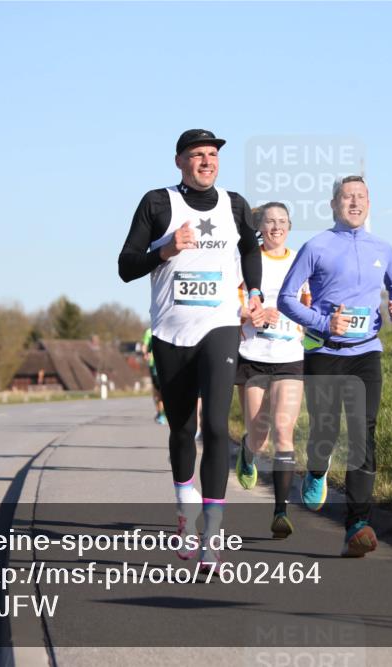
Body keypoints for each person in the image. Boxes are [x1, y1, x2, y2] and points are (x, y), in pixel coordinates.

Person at [118, 129, 264, 570]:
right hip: (170, 333)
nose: (207, 161)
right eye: (198, 155)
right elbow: (125, 266)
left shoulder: (235, 204)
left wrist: (254, 290)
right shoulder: (157, 203)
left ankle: (212, 535)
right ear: (180, 161)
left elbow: (249, 248)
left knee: (217, 426)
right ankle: (187, 508)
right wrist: (164, 249)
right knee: (182, 429)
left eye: (213, 154)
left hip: (219, 327)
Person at [278, 175, 392, 557]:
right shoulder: (316, 246)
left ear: (370, 203)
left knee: (363, 432)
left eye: (361, 197)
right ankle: (317, 470)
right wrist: (322, 322)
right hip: (324, 352)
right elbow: (287, 298)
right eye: (347, 197)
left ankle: (358, 524)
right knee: (326, 428)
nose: (355, 203)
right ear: (334, 204)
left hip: (367, 352)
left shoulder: (382, 247)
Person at [234, 202, 311, 539]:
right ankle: (247, 456)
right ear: (259, 228)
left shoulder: (300, 262)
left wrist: (302, 318)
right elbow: (230, 302)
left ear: (289, 226)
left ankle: (281, 511)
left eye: (282, 221)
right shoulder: (248, 261)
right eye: (269, 222)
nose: (276, 227)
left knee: (283, 431)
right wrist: (251, 315)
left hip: (289, 355)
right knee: (259, 435)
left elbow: (310, 303)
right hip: (252, 354)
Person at [142, 327, 165, 424]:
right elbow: (144, 346)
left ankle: (161, 413)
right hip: (154, 364)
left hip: (165, 364)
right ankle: (161, 413)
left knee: (159, 391)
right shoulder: (149, 331)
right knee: (157, 391)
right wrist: (146, 353)